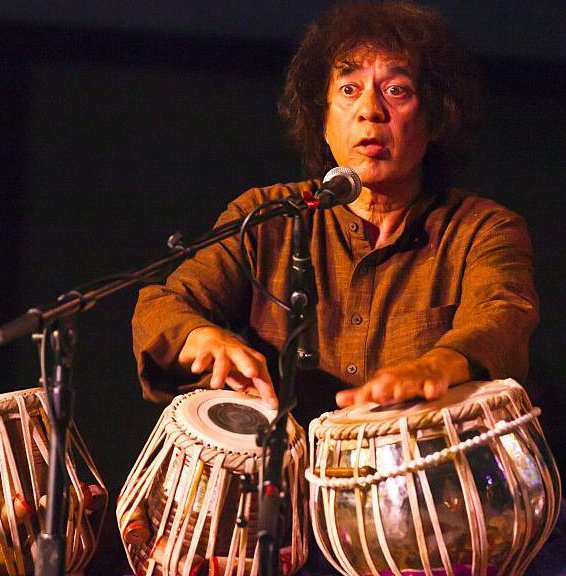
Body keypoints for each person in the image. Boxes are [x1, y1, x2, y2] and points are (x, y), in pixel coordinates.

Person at [131, 0, 539, 427]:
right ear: (323, 120)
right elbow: (163, 306)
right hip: (284, 482)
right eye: (349, 89)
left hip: (421, 484)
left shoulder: (484, 229)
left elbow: (502, 318)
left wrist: (437, 365)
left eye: (396, 90)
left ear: (434, 118)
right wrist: (204, 339)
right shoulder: (266, 219)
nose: (370, 110)